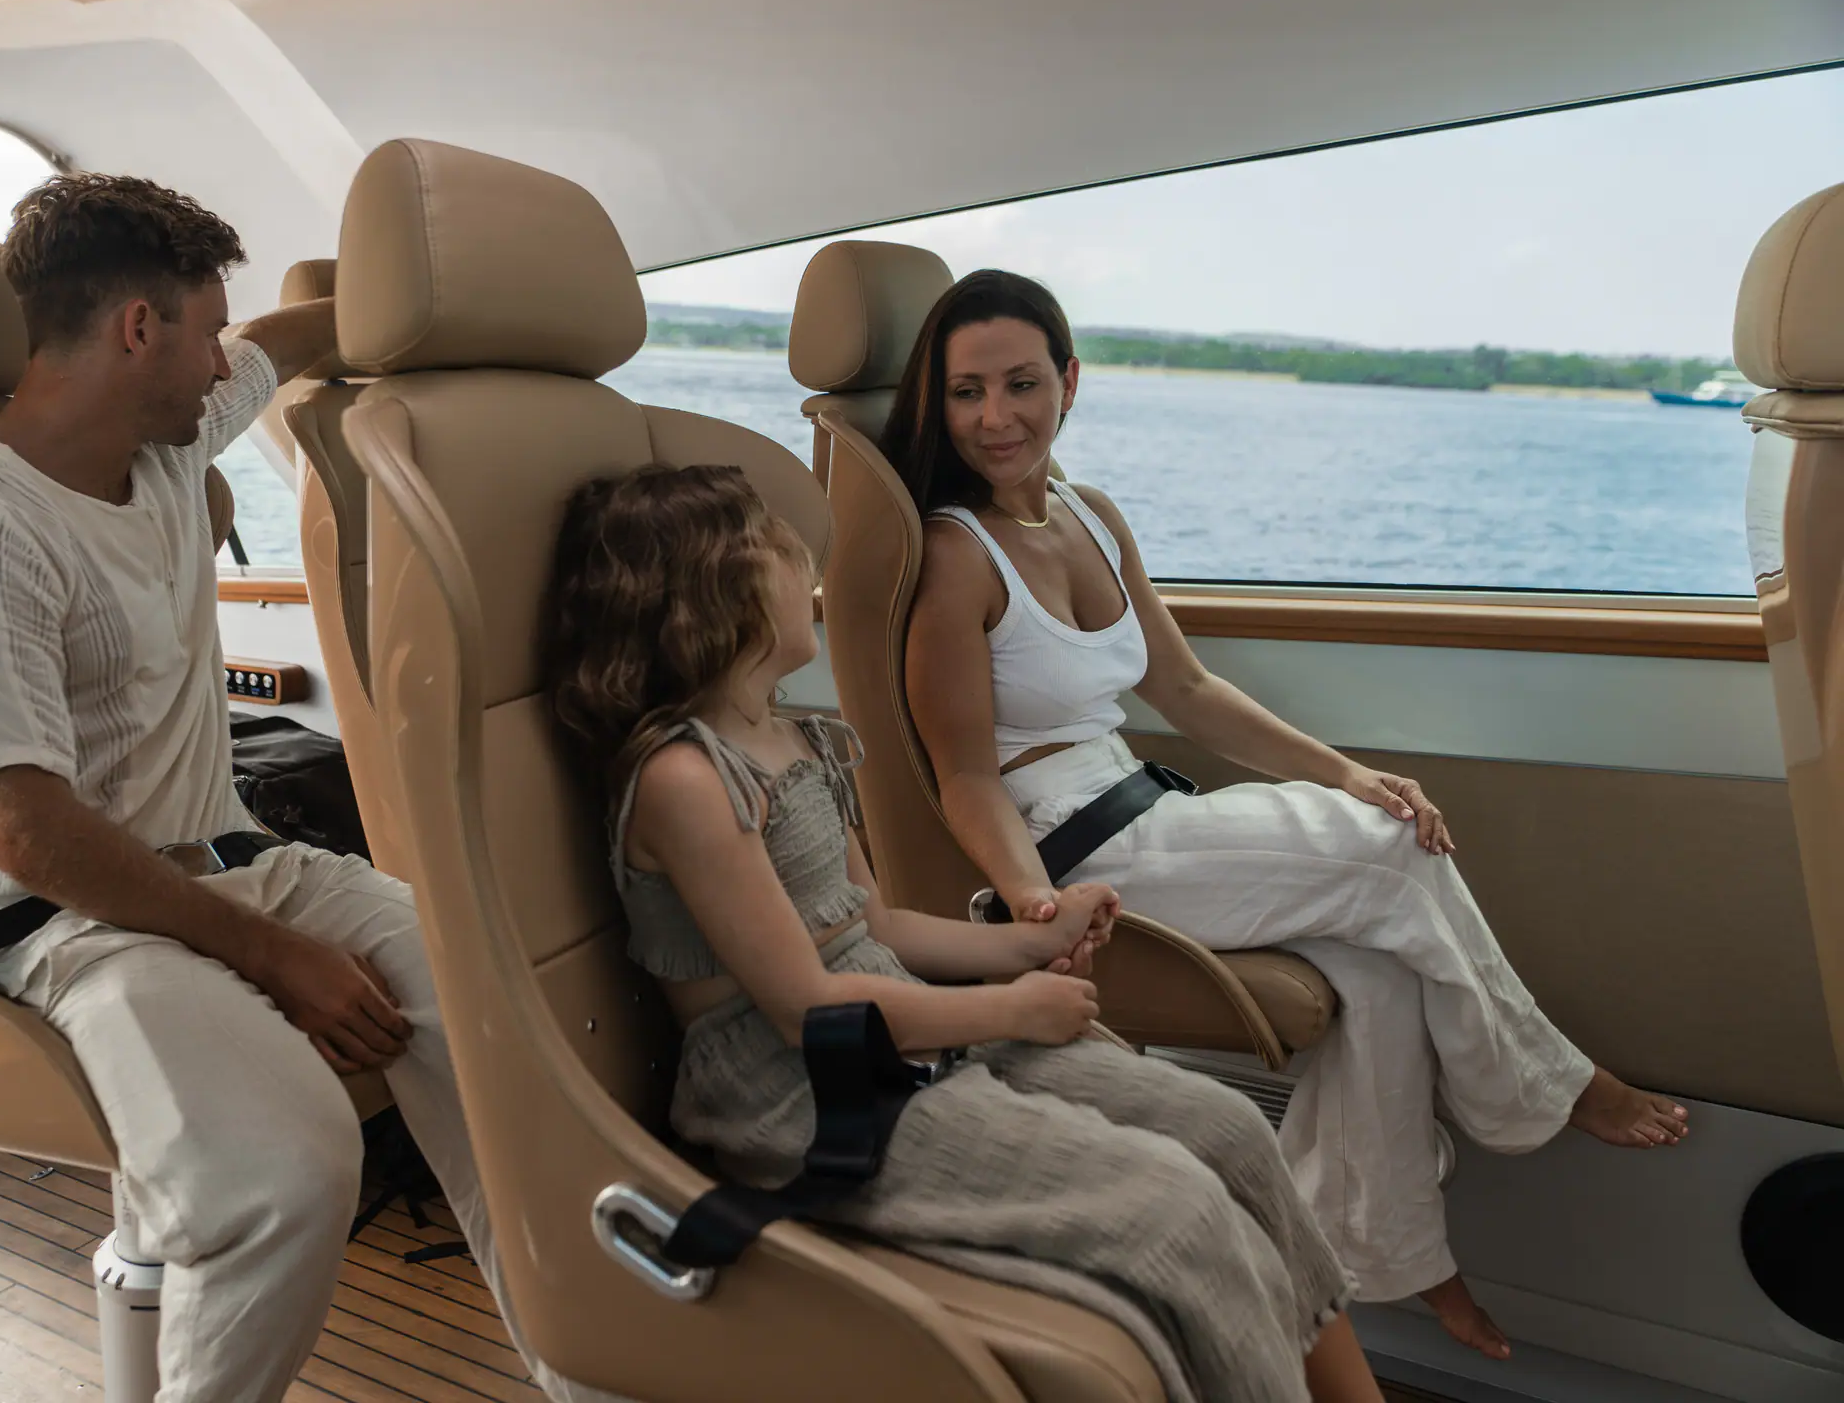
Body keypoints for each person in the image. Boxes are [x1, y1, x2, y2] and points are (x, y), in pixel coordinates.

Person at [0, 174, 608, 1403]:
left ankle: (594, 1371)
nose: (222, 368)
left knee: (511, 1045)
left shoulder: (162, 443)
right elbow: (30, 835)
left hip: (233, 860)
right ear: (136, 330)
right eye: (204, 333)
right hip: (59, 926)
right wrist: (273, 955)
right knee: (283, 1175)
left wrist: (419, 298)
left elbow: (281, 342)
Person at [879, 268, 1691, 1359]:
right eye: (966, 392)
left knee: (1379, 977)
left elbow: (1186, 688)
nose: (995, 417)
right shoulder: (952, 551)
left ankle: (1388, 1262)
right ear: (936, 402)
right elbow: (966, 776)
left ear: (1070, 381)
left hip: (1140, 808)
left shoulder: (1090, 515)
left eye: (1021, 384)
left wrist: (1346, 772)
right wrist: (1035, 906)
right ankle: (1553, 1083)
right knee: (1391, 851)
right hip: (1076, 852)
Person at [546, 462, 1388, 1403]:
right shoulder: (685, 780)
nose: (803, 568)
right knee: (1175, 1212)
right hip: (797, 1087)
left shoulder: (792, 738)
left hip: (892, 1024)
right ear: (718, 593)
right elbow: (806, 1011)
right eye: (780, 552)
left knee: (1229, 1131)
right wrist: (1012, 1011)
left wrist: (1028, 944)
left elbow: (876, 926)